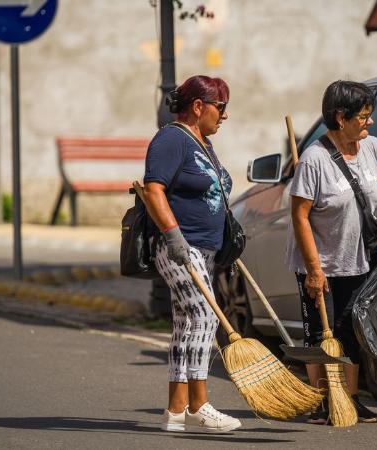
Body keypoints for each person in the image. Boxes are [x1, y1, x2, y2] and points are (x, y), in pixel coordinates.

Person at [286, 80, 377, 425]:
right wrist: (314, 271)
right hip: (322, 263)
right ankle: (323, 401)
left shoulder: (372, 147)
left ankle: (351, 399)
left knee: (355, 332)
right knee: (321, 334)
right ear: (340, 117)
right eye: (363, 116)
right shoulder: (314, 161)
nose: (370, 123)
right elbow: (299, 216)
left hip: (362, 258)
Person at [143, 75, 241, 433]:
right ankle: (200, 405)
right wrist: (173, 238)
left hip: (205, 247)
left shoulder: (202, 142)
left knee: (186, 324)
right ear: (198, 107)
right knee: (205, 317)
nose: (224, 116)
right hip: (179, 247)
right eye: (221, 107)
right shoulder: (172, 139)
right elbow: (154, 190)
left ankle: (175, 410)